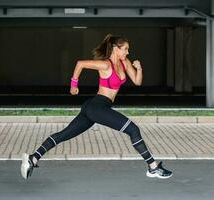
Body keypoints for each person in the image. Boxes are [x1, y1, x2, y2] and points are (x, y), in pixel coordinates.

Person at [21, 34, 173, 179]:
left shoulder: (125, 62)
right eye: (125, 48)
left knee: (64, 135)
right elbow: (80, 64)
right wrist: (74, 85)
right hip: (97, 107)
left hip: (96, 109)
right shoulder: (105, 65)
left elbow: (137, 81)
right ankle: (153, 167)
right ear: (116, 48)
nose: (128, 51)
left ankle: (33, 158)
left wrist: (139, 68)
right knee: (133, 129)